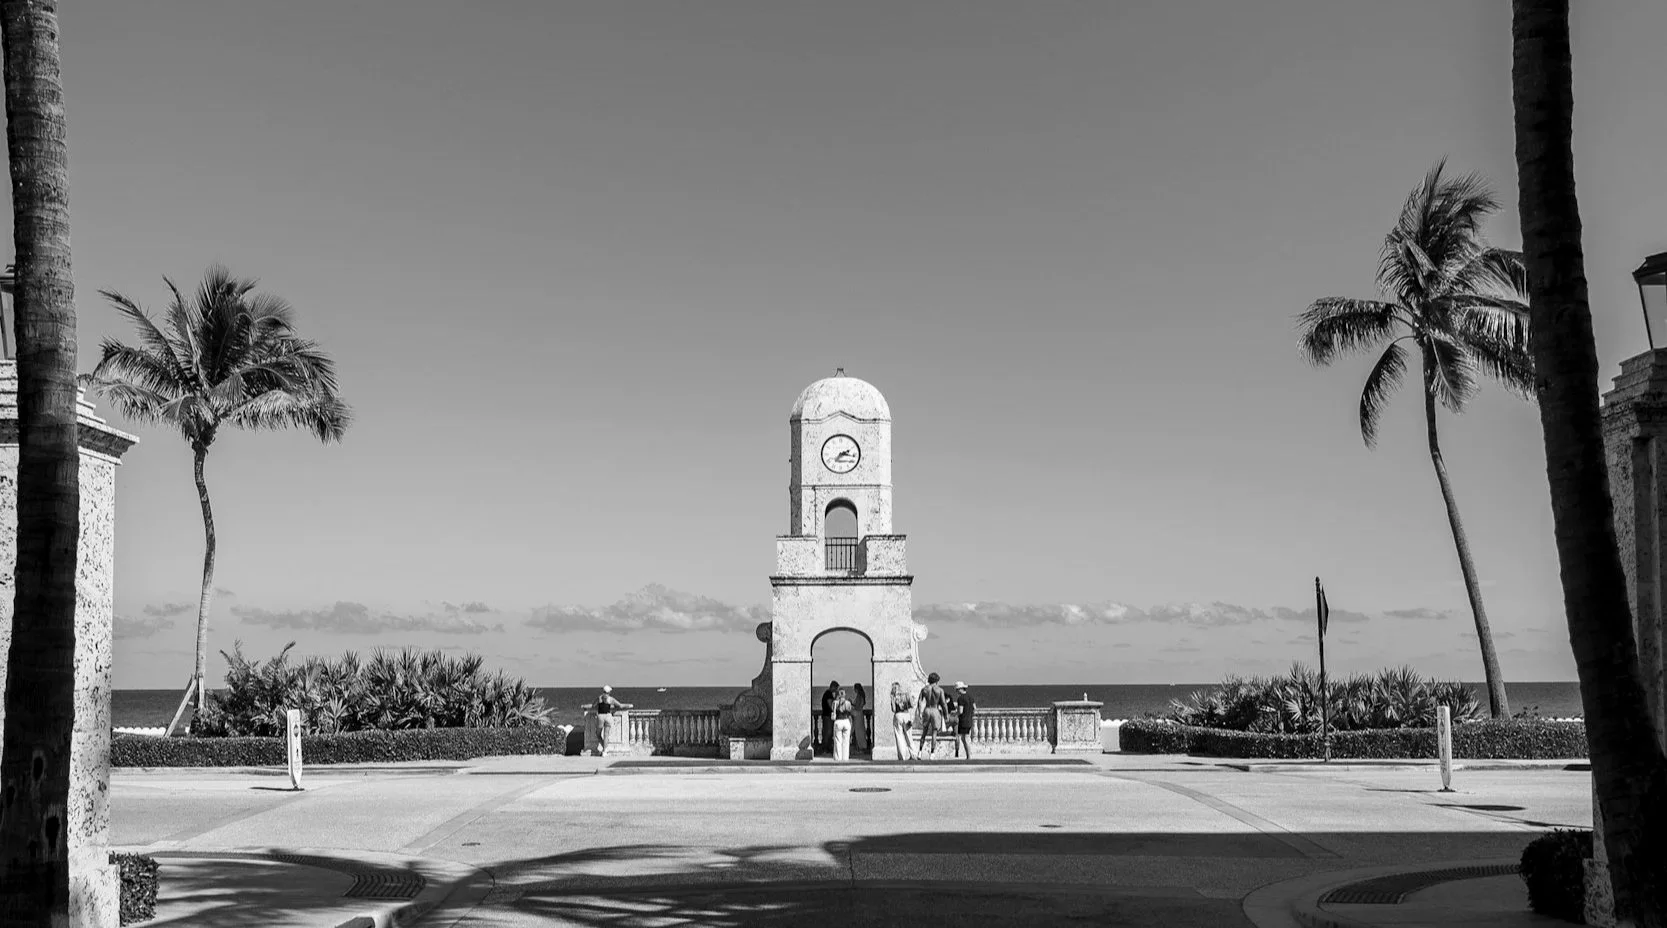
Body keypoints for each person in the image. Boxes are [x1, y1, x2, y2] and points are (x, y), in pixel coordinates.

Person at [917, 672, 948, 759]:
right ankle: (932, 753)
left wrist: (920, 712)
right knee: (934, 732)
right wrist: (946, 714)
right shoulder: (940, 690)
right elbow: (943, 703)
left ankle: (919, 752)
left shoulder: (924, 689)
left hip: (927, 710)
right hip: (935, 710)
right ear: (937, 680)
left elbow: (919, 701)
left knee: (924, 732)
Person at [889, 681, 916, 761]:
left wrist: (892, 700)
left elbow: (893, 709)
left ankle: (902, 756)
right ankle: (914, 754)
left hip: (898, 716)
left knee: (899, 737)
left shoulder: (894, 696)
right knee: (909, 736)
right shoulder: (905, 694)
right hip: (906, 715)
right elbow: (912, 704)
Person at [595, 685, 624, 755]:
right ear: (609, 692)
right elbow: (620, 705)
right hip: (608, 716)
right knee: (606, 734)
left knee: (598, 734)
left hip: (600, 716)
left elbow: (593, 705)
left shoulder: (599, 698)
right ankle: (605, 750)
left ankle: (605, 748)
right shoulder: (611, 699)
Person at [952, 681, 976, 759]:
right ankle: (968, 756)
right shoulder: (971, 697)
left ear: (960, 689)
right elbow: (974, 708)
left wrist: (955, 714)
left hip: (963, 721)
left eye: (957, 690)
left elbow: (960, 711)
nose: (956, 692)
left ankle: (969, 756)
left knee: (964, 739)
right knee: (965, 738)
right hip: (969, 720)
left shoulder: (961, 698)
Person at [832, 688, 855, 760]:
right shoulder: (848, 703)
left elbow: (832, 709)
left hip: (838, 721)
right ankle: (845, 758)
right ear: (844, 694)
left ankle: (838, 758)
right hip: (846, 721)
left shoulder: (835, 702)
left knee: (838, 741)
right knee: (846, 741)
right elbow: (850, 710)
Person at [820, 681, 840, 755]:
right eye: (836, 688)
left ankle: (827, 749)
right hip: (827, 716)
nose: (836, 690)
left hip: (828, 716)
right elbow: (831, 705)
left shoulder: (829, 694)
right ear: (833, 687)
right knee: (828, 733)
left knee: (829, 733)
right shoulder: (828, 694)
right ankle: (825, 749)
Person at [851, 683, 869, 754]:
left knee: (859, 732)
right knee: (860, 730)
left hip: (858, 714)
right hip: (860, 714)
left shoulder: (859, 696)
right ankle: (861, 747)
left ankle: (861, 747)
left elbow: (858, 706)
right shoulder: (861, 696)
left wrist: (851, 706)